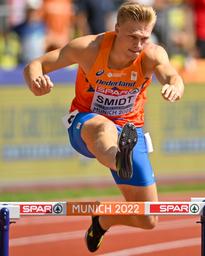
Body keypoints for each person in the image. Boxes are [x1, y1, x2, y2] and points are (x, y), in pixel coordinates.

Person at [23, 1, 184, 253]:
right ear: (117, 28)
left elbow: (173, 76)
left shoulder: (152, 54)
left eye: (145, 37)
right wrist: (36, 83)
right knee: (103, 128)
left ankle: (103, 219)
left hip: (129, 129)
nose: (138, 44)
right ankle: (119, 158)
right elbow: (35, 65)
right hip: (86, 122)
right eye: (132, 36)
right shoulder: (89, 48)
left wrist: (174, 86)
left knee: (147, 218)